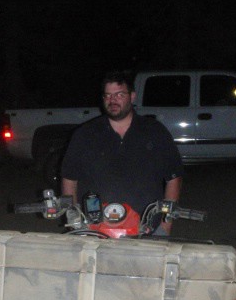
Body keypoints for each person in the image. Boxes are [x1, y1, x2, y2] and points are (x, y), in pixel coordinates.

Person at [61, 70, 183, 233]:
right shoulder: (85, 134)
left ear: (132, 96)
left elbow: (173, 178)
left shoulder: (155, 131)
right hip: (95, 229)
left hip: (146, 228)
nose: (113, 100)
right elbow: (69, 179)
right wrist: (74, 221)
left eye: (119, 95)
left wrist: (165, 224)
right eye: (108, 96)